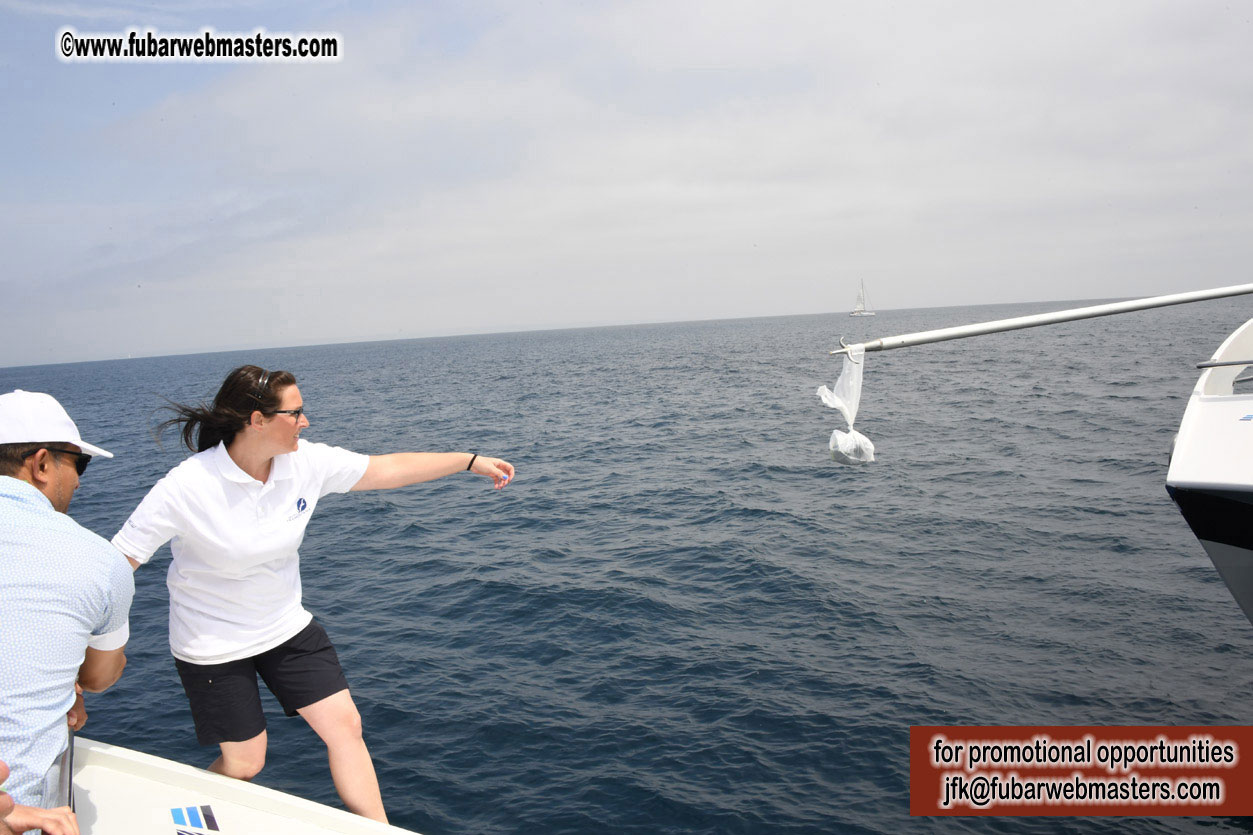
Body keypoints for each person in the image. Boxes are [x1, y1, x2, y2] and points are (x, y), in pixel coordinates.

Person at [112, 366, 514, 823]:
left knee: (345, 727)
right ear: (257, 420)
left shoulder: (304, 463)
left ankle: (377, 832)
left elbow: (384, 469)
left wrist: (467, 460)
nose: (306, 422)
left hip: (285, 626)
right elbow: (115, 564)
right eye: (296, 412)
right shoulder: (188, 487)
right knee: (246, 763)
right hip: (213, 644)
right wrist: (88, 654)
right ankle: (184, 818)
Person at [0, 390, 134, 835]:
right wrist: (69, 684)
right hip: (23, 811)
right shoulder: (98, 559)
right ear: (41, 464)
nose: (79, 480)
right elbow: (100, 676)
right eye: (79, 464)